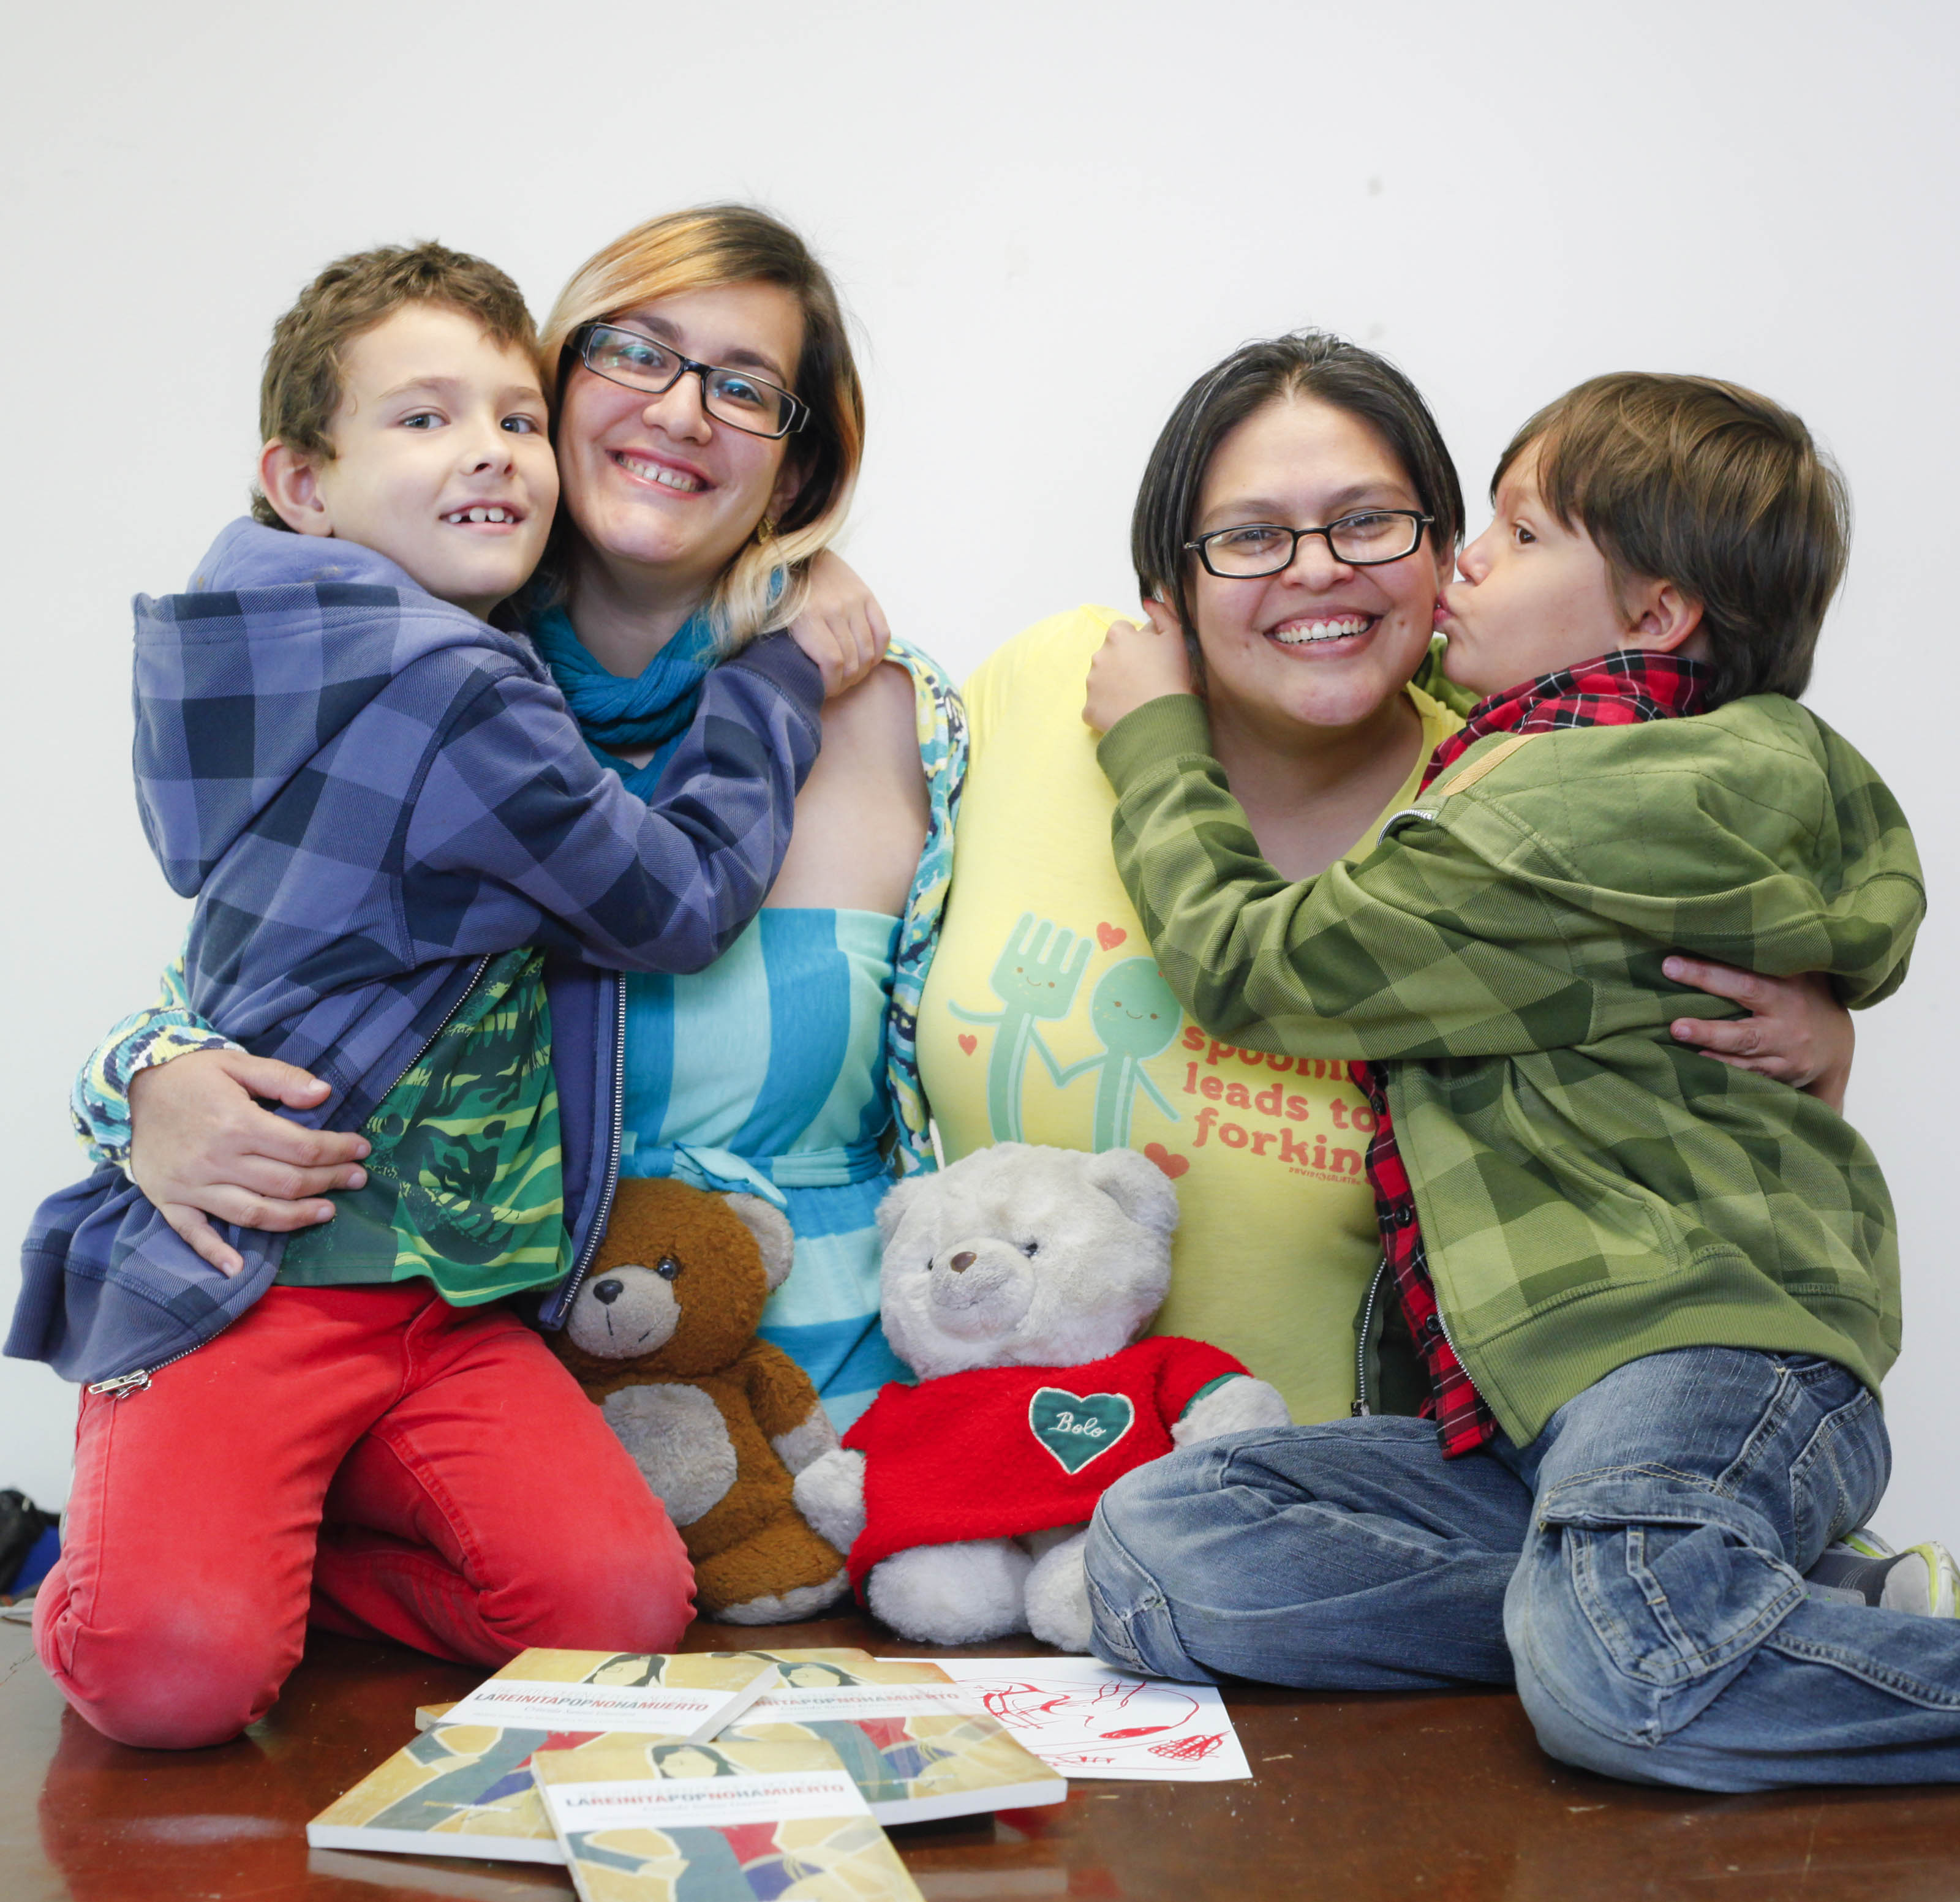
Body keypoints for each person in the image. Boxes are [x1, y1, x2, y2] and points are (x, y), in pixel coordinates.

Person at [12, 238, 874, 1748]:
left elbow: (280, 944)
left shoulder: (312, 642)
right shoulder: (458, 670)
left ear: (798, 468)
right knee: (169, 1674)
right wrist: (140, 1074)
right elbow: (667, 902)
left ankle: (249, 1560)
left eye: (508, 418)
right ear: (303, 480)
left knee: (620, 1612)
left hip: (461, 1298)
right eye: (425, 418)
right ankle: (89, 1566)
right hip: (267, 1283)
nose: (490, 448)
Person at [1082, 370, 1958, 1790]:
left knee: (1619, 1692)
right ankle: (1744, 1612)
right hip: (1540, 1408)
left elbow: (1252, 963)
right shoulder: (1572, 766)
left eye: (1521, 532)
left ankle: (1653, 1625)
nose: (1471, 562)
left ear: (1656, 614)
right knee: (1159, 1554)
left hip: (1688, 1351)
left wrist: (1155, 741)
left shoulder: (1546, 812)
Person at [70, 206, 963, 1434]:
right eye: (635, 354)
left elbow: (982, 1090)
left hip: (835, 1444)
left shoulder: (901, 715)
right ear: (555, 395)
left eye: (745, 387)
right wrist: (138, 1091)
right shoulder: (417, 685)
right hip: (484, 1447)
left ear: (795, 468)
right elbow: (249, 986)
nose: (682, 411)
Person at [919, 334, 1849, 1423]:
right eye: (1252, 533)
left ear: (1442, 555)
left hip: (1363, 1532)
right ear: (1170, 574)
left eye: (1367, 521)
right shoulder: (1048, 687)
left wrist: (1822, 1024)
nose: (1316, 567)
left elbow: (1702, 1146)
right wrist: (806, 575)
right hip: (970, 1507)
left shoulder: (1525, 803)